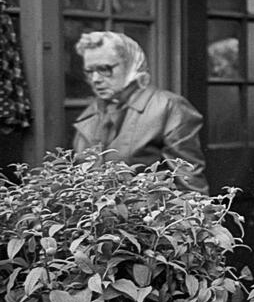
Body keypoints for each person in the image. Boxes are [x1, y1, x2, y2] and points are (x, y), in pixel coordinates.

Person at [72, 31, 208, 194]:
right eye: (89, 71)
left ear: (131, 65)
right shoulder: (92, 113)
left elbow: (190, 186)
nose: (95, 79)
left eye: (104, 69)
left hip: (151, 217)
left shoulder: (168, 107)